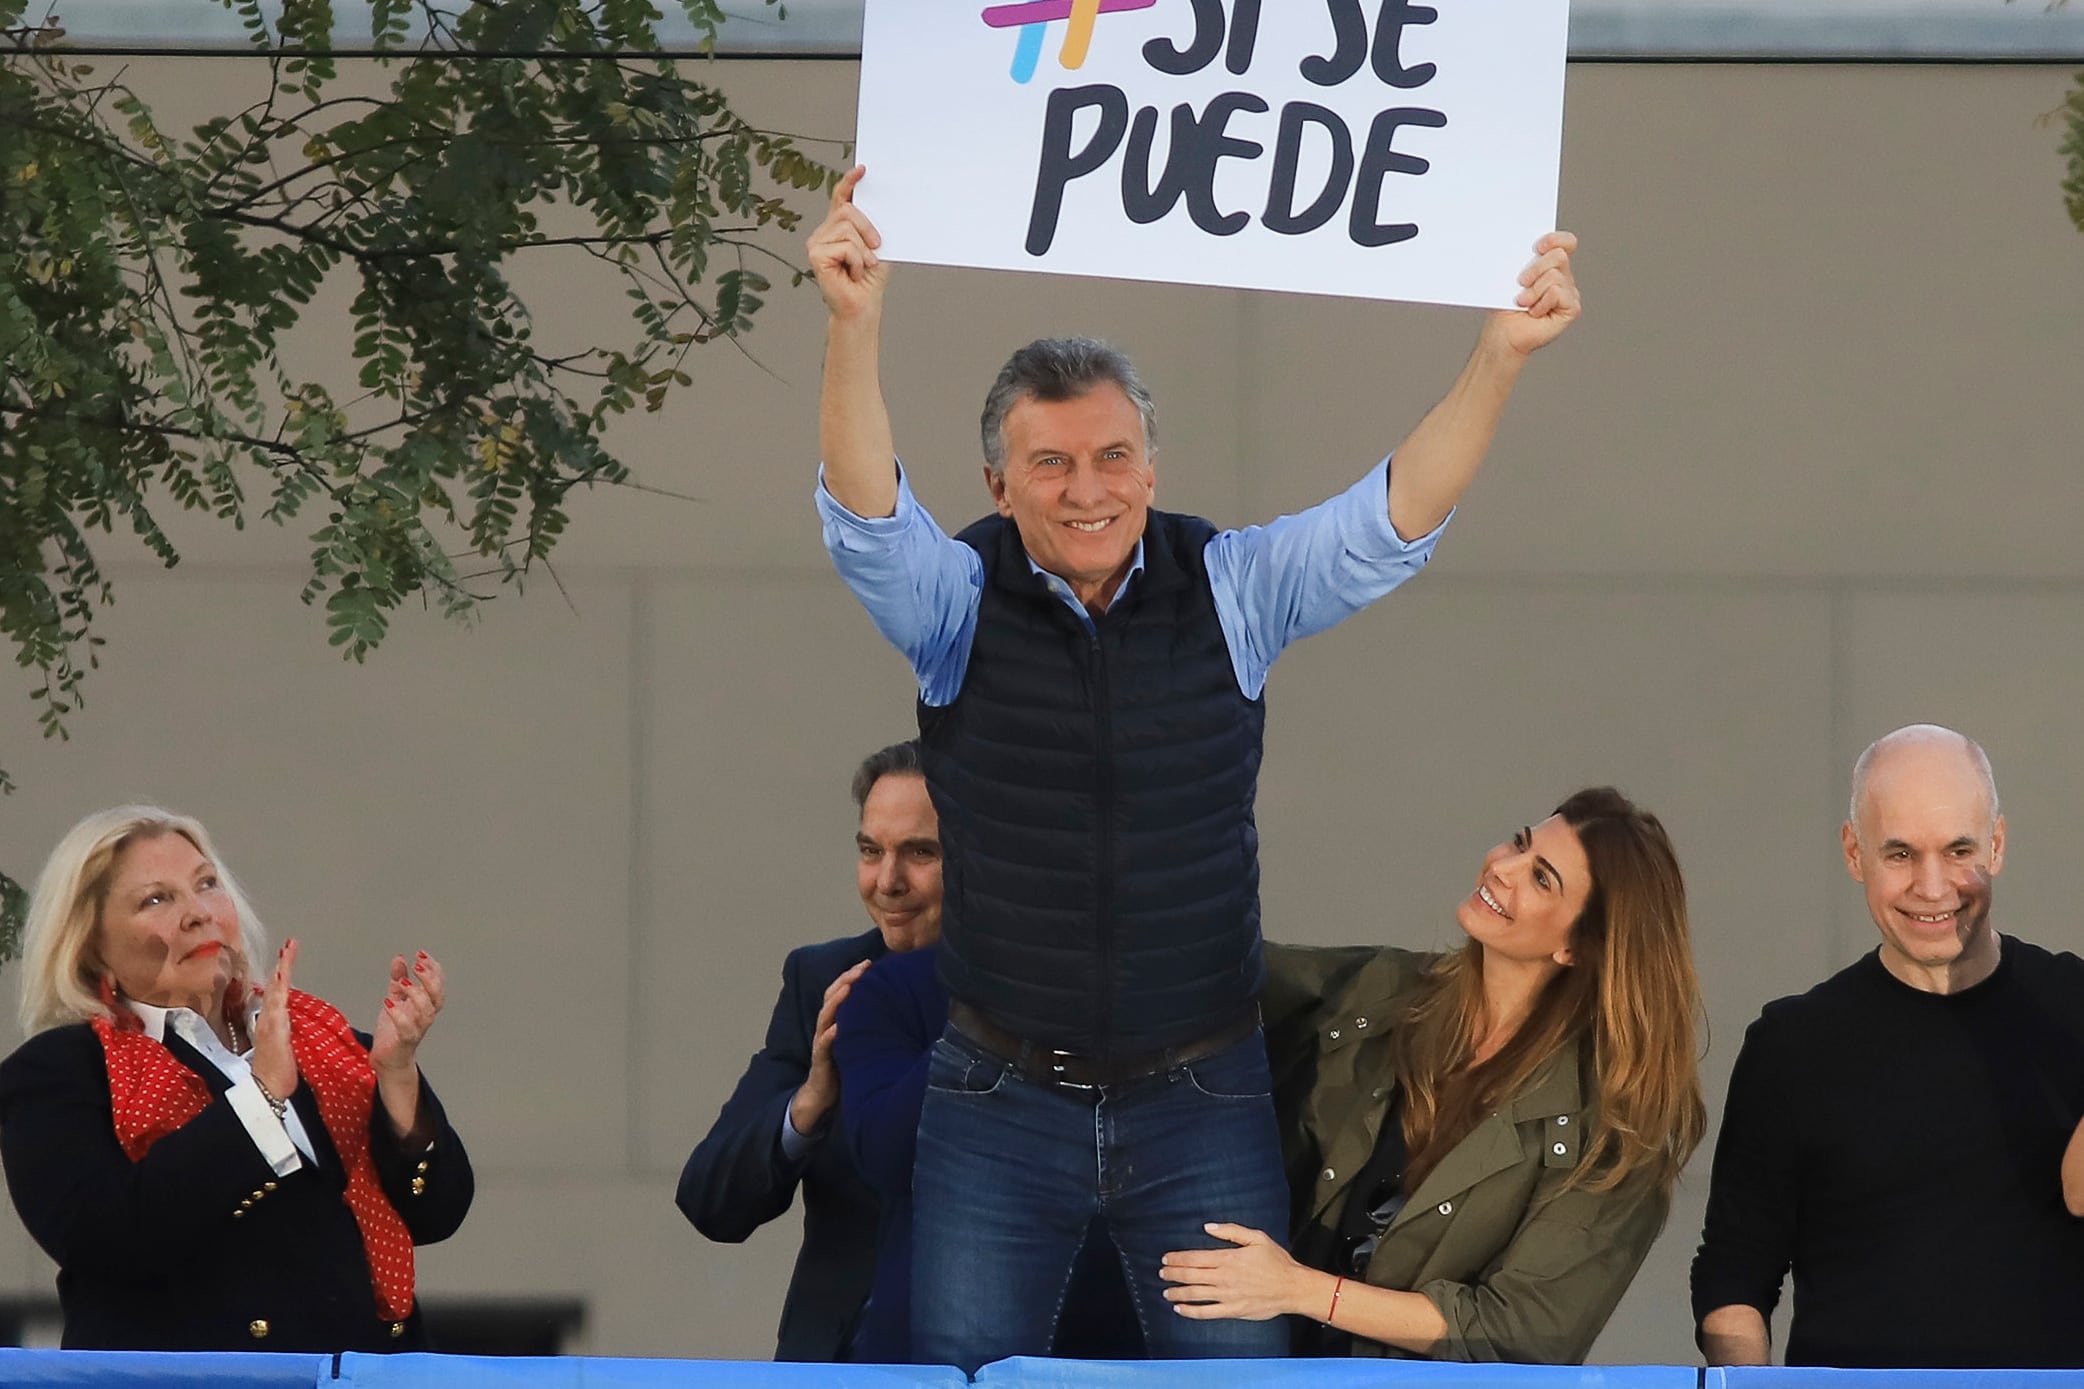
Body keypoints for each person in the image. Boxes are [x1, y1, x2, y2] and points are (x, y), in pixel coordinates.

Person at [808, 164, 1583, 1370]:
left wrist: (1500, 358)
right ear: (997, 485)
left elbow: (1389, 523)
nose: (1087, 489)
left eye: (1112, 457)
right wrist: (854, 328)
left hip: (1198, 1095)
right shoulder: (954, 603)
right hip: (996, 1098)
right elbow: (865, 523)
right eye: (1051, 465)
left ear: (1152, 471)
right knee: (958, 1380)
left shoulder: (1229, 589)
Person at [1156, 787, 1704, 1363]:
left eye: (1542, 879)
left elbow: (1518, 1330)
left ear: (1579, 947)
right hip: (1263, 1365)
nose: (1503, 868)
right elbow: (1218, 975)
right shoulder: (1384, 990)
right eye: (1519, 843)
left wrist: (1298, 1289)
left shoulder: (1612, 1136)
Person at [0, 806, 472, 1351]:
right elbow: (106, 1238)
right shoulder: (61, 1070)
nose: (198, 912)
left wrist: (396, 1077)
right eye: (156, 899)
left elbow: (438, 1213)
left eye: (206, 884)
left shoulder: (329, 1045)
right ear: (90, 949)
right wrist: (260, 1099)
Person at [1692, 724, 2084, 1368]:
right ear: (1854, 853)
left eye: (1960, 850)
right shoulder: (1792, 1046)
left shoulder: (2075, 1010)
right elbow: (1735, 1272)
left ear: (1999, 842)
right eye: (1900, 854)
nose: (1933, 888)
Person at [676, 739, 943, 1360]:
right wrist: (811, 1102)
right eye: (871, 852)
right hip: (842, 1357)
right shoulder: (825, 980)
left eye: (921, 853)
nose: (888, 882)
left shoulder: (1039, 994)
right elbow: (710, 1201)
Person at [834, 941, 1143, 1363]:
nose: (890, 882)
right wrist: (990, 1014)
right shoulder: (889, 989)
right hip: (946, 1342)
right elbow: (889, 1154)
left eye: (923, 866)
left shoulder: (1164, 980)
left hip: (1120, 1342)